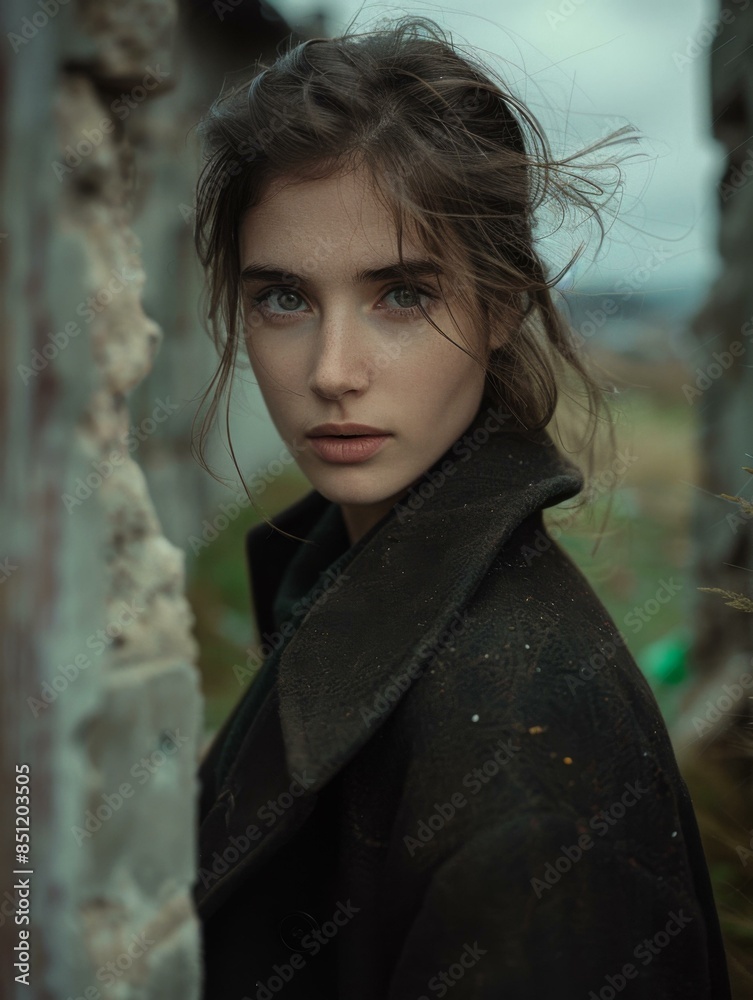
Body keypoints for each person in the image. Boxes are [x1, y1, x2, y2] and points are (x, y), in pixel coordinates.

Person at [189, 15, 732, 999]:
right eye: (283, 298)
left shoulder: (525, 756)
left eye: (400, 295)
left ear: (504, 303)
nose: (332, 372)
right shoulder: (341, 579)